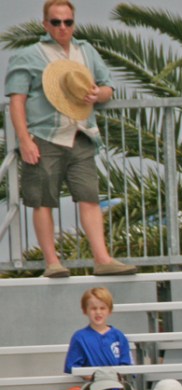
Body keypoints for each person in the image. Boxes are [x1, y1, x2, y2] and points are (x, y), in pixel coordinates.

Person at [4, 1, 136, 278]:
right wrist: (25, 141)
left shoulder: (85, 51)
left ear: (74, 23)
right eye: (56, 22)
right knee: (42, 200)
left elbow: (107, 86)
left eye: (67, 22)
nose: (62, 27)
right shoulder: (28, 56)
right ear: (45, 24)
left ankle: (102, 258)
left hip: (81, 134)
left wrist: (97, 95)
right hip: (44, 136)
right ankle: (52, 262)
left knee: (89, 197)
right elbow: (18, 101)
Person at [64, 287, 132, 374]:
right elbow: (72, 366)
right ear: (85, 310)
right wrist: (92, 376)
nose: (98, 312)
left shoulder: (119, 336)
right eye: (93, 308)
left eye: (102, 308)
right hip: (92, 385)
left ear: (110, 310)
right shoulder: (79, 338)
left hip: (116, 384)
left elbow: (126, 365)